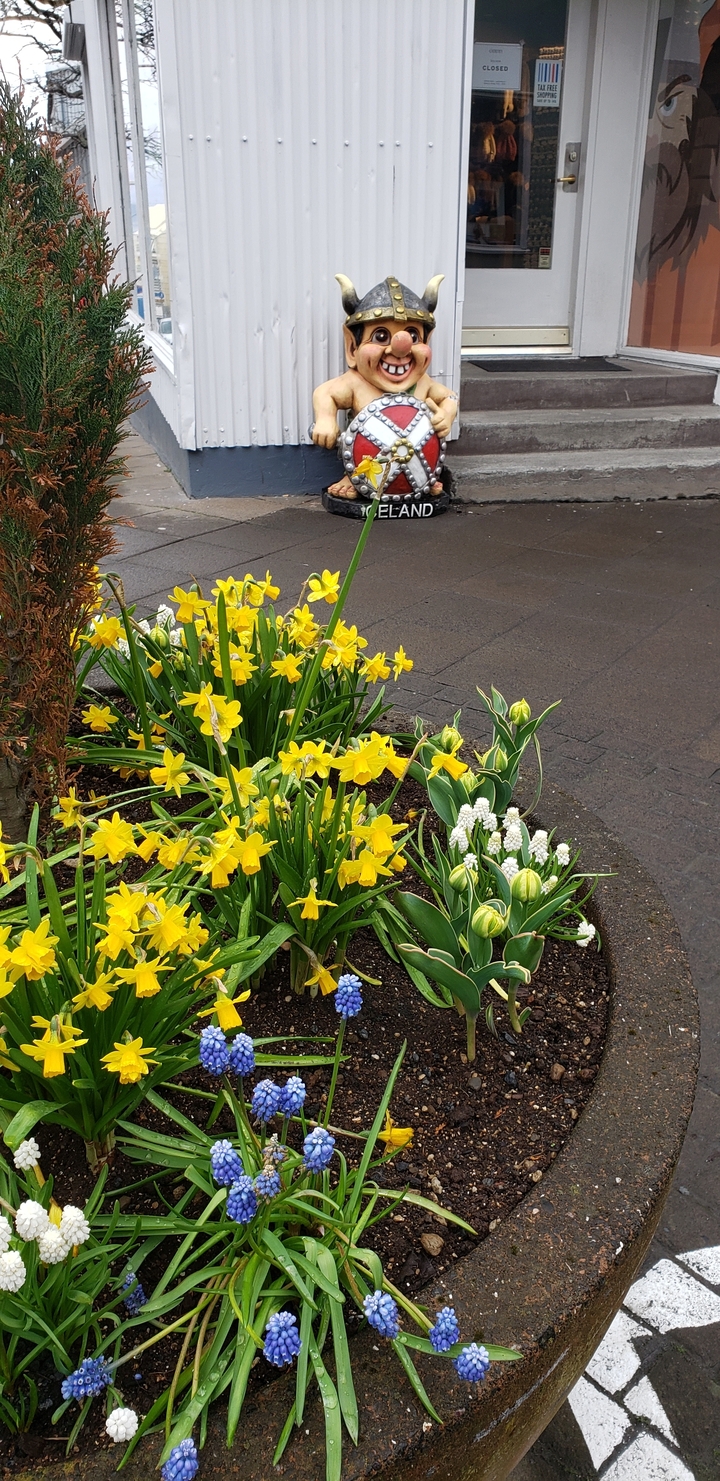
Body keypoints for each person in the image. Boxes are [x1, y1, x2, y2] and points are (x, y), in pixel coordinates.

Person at [312, 275, 458, 499]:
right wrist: (325, 418)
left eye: (413, 336)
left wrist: (447, 413)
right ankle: (353, 478)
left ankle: (421, 478)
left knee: (415, 456)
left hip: (414, 461)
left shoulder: (423, 383)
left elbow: (450, 397)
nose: (400, 349)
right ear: (352, 347)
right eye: (380, 336)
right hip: (367, 463)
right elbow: (325, 393)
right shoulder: (355, 383)